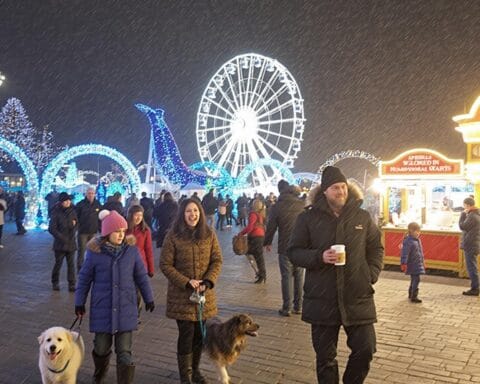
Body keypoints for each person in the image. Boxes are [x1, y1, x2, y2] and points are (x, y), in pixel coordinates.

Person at [287, 166, 383, 384]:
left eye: (343, 187)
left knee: (366, 349)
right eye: (335, 188)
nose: (341, 191)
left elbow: (376, 247)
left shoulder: (362, 217)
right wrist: (319, 257)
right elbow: (294, 252)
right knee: (326, 359)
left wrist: (371, 273)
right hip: (322, 299)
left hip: (357, 296)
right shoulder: (307, 218)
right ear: (324, 192)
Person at [75, 209, 155, 383]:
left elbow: (141, 276)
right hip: (102, 308)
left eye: (123, 231)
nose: (120, 235)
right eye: (116, 232)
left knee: (124, 352)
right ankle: (100, 372)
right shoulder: (94, 253)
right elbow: (84, 279)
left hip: (126, 308)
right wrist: (79, 303)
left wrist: (149, 297)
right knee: (101, 348)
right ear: (107, 233)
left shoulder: (131, 252)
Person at [160, 198, 222, 384]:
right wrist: (186, 282)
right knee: (186, 335)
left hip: (204, 296)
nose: (192, 214)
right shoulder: (173, 235)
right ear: (182, 214)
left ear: (200, 213)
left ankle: (195, 370)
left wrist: (208, 281)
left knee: (199, 336)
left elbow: (217, 260)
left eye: (195, 210)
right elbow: (165, 264)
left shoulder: (209, 234)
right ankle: (185, 376)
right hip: (183, 297)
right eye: (188, 211)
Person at [264, 180, 305, 316]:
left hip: (285, 246)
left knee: (286, 276)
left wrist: (267, 242)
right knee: (299, 276)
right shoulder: (302, 204)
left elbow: (271, 227)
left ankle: (287, 307)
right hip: (301, 246)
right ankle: (298, 306)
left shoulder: (277, 206)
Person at [126, 204, 154, 321]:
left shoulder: (146, 230)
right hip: (126, 265)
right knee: (128, 290)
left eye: (140, 215)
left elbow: (148, 250)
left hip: (140, 266)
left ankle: (136, 314)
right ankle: (127, 312)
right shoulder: (124, 228)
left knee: (138, 292)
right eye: (136, 215)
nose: (138, 218)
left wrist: (151, 269)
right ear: (131, 215)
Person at [48, 192, 78, 292]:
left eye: (69, 200)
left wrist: (74, 226)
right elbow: (52, 228)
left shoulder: (73, 211)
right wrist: (62, 238)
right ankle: (55, 282)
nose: (68, 202)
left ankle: (72, 284)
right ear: (61, 202)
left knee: (71, 265)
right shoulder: (56, 212)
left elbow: (76, 223)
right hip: (60, 244)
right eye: (66, 200)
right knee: (58, 264)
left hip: (71, 243)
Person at [238, 198, 267, 284]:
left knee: (252, 254)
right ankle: (261, 274)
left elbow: (250, 227)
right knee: (258, 257)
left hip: (255, 237)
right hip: (261, 236)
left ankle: (261, 275)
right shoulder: (261, 214)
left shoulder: (253, 214)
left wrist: (241, 233)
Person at [75, 187, 102, 272]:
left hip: (93, 232)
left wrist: (100, 229)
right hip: (83, 232)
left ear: (94, 194)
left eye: (92, 193)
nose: (90, 195)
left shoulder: (98, 204)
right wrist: (77, 227)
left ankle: (91, 268)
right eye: (89, 193)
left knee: (93, 251)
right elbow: (76, 217)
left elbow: (100, 218)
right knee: (82, 251)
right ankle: (80, 268)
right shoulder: (80, 204)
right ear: (86, 194)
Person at [459, 197, 480, 296]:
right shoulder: (476, 214)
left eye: (464, 206)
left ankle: (475, 288)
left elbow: (462, 226)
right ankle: (475, 287)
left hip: (470, 244)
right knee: (473, 266)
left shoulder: (472, 216)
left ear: (467, 205)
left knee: (471, 267)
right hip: (474, 244)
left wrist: (463, 214)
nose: (464, 208)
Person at [400, 222, 426, 303]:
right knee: (416, 279)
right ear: (411, 231)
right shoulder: (408, 241)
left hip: (417, 263)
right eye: (416, 231)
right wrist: (404, 262)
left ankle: (411, 293)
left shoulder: (417, 240)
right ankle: (414, 296)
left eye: (419, 231)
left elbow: (420, 252)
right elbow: (405, 253)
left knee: (414, 279)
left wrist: (423, 261)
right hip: (412, 263)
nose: (418, 233)